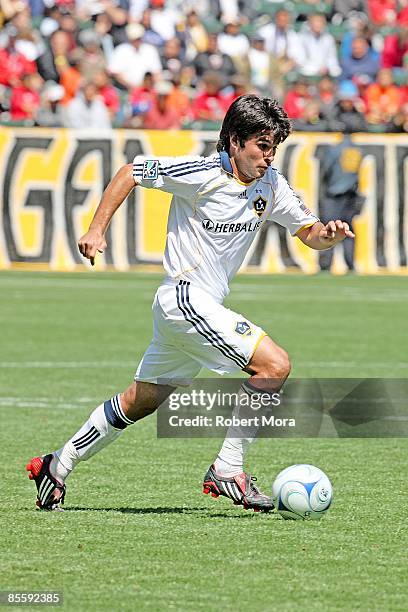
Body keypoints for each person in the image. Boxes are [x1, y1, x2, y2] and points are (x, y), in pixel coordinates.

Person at [26, 95, 354, 512]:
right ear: (234, 141)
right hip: (183, 296)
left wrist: (329, 235)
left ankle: (57, 465)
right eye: (262, 145)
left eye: (274, 148)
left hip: (193, 309)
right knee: (274, 365)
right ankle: (228, 469)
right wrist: (96, 228)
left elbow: (308, 231)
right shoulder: (201, 172)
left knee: (140, 401)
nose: (269, 157)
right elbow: (131, 171)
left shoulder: (271, 185)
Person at [318, 130, 364, 272]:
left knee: (329, 229)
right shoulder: (358, 150)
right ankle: (350, 264)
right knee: (348, 231)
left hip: (334, 195)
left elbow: (326, 170)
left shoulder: (334, 149)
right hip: (351, 195)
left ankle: (325, 264)